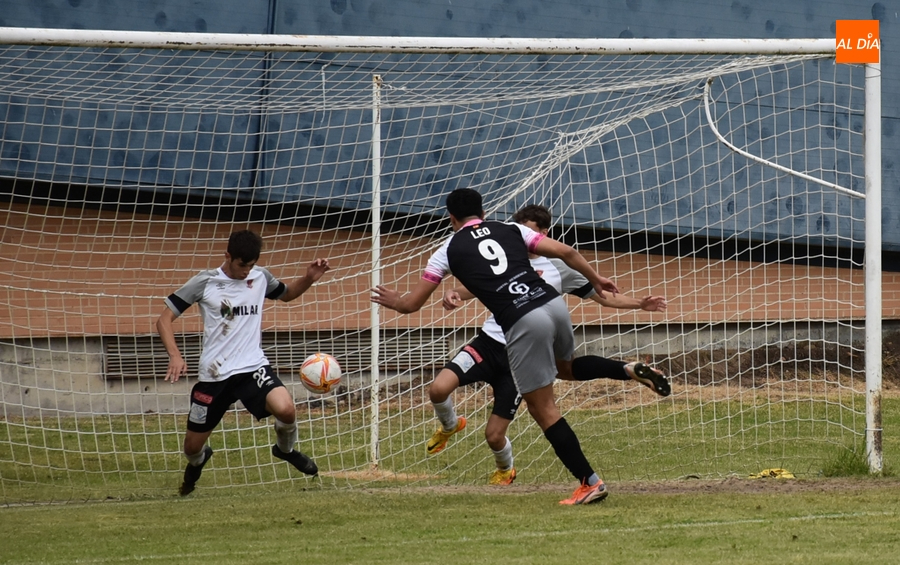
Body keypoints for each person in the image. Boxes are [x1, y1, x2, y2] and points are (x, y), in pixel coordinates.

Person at [371, 188, 619, 505]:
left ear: (451, 218)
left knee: (543, 409)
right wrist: (596, 279)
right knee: (566, 369)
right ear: (483, 212)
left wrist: (397, 302)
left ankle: (590, 482)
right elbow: (567, 253)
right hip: (554, 307)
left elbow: (412, 304)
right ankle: (624, 370)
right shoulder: (512, 229)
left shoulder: (446, 250)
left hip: (523, 321)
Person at [428, 204, 669, 486]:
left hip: (526, 349)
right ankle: (627, 370)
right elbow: (474, 285)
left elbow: (603, 296)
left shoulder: (559, 268)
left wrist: (639, 303)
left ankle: (526, 474)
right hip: (491, 343)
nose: (526, 241)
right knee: (441, 388)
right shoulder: (508, 254)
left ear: (544, 233)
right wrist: (453, 293)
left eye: (531, 233)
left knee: (518, 420)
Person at [157, 229, 330, 496]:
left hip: (252, 367)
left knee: (286, 410)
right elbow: (164, 319)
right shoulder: (205, 282)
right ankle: (199, 461)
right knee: (191, 448)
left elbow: (287, 295)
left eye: (250, 265)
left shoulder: (260, 277)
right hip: (215, 376)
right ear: (228, 256)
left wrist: (308, 278)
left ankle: (285, 450)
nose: (246, 271)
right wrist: (175, 356)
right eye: (241, 265)